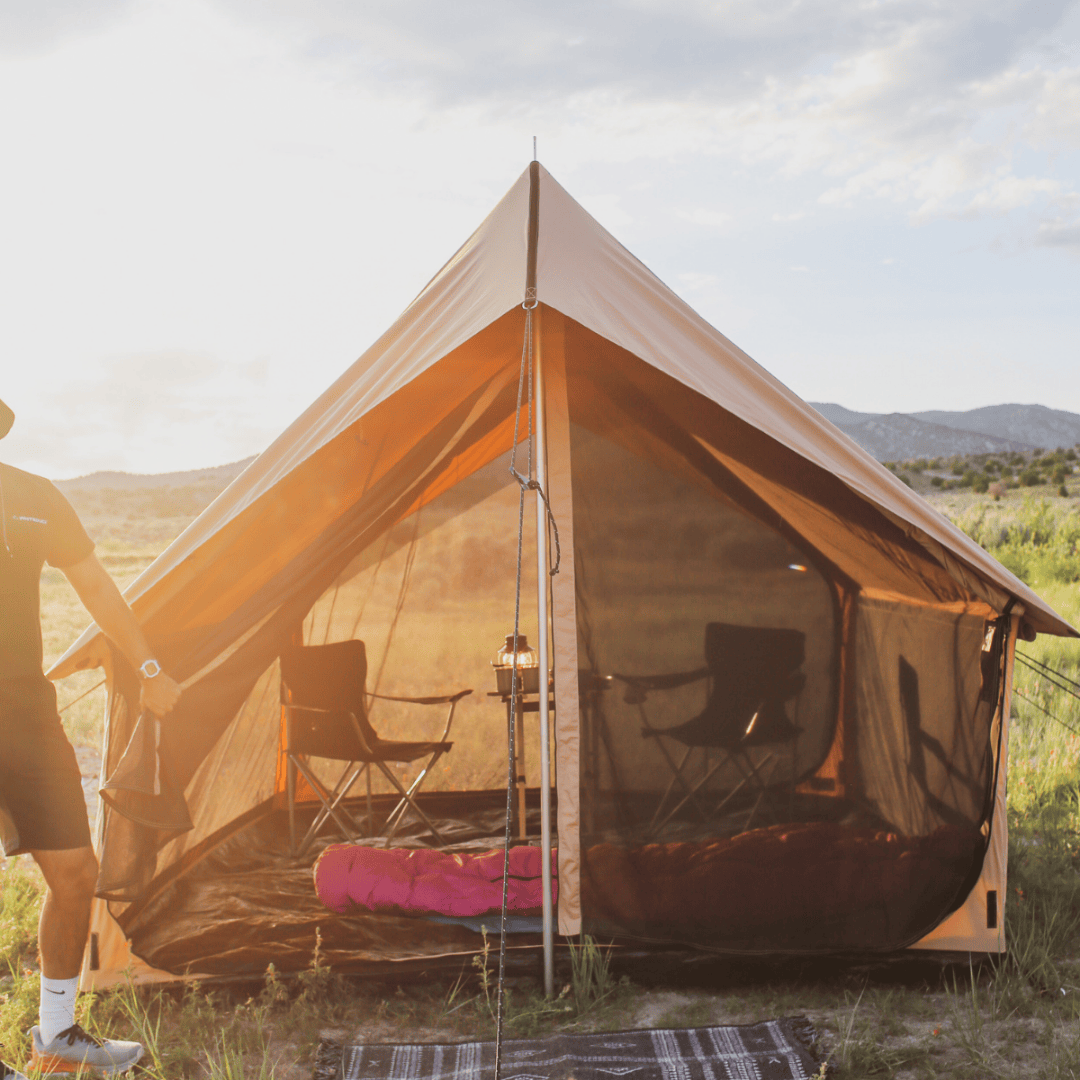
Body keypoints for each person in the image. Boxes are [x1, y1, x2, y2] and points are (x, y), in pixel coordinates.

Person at [0, 397, 182, 1078]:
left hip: (27, 714)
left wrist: (149, 665)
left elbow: (96, 584)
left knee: (75, 872)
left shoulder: (35, 496)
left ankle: (56, 1035)